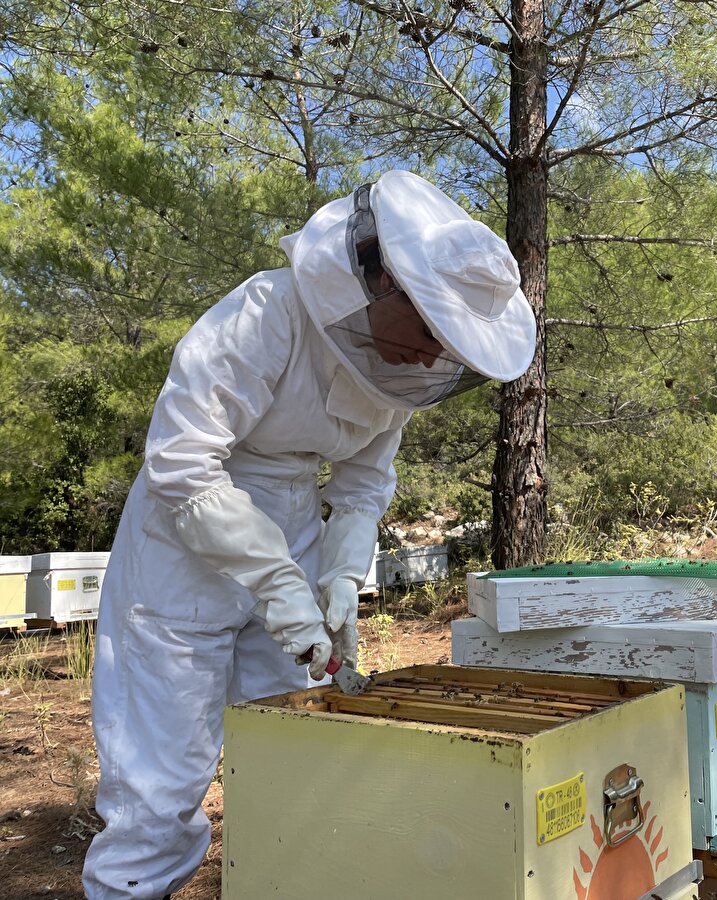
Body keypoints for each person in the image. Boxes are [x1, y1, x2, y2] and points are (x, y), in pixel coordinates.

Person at [82, 170, 536, 899]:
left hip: (289, 528)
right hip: (180, 545)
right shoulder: (266, 313)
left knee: (289, 750)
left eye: (448, 346)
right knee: (158, 789)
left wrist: (338, 580)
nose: (431, 359)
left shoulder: (392, 377)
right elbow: (182, 463)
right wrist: (275, 581)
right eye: (429, 331)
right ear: (384, 284)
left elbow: (362, 486)